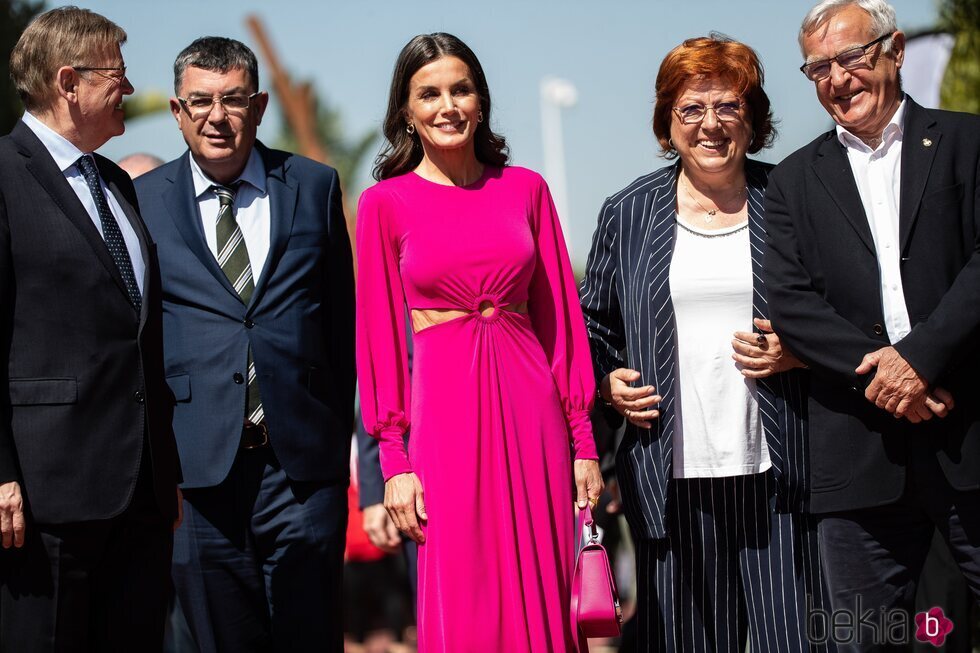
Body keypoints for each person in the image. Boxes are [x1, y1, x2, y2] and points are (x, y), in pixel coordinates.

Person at [580, 35, 830, 652]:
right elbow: (592, 327)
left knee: (794, 641)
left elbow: (841, 311)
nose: (711, 125)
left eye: (729, 107)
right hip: (669, 479)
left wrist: (797, 352)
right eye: (692, 109)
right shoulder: (628, 212)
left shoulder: (792, 200)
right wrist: (607, 382)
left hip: (781, 475)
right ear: (668, 122)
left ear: (754, 118)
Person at [356, 32, 603, 652]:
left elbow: (561, 323)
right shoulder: (384, 204)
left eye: (460, 89)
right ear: (406, 112)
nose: (448, 106)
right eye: (429, 93)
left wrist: (583, 442)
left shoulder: (526, 190)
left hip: (534, 413)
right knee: (461, 591)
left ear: (481, 100)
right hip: (443, 420)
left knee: (546, 583)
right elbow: (379, 342)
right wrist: (394, 462)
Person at [764, 0, 980, 646]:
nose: (837, 78)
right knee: (864, 635)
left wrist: (920, 358)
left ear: (895, 50)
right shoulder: (793, 181)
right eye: (818, 67)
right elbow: (792, 302)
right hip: (857, 460)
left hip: (967, 434)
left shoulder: (968, 142)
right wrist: (886, 375)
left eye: (851, 57)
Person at [134, 36, 354, 652]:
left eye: (233, 100)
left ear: (257, 107)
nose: (217, 116)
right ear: (177, 112)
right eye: (199, 101)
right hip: (194, 476)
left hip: (302, 473)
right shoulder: (142, 202)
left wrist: (336, 448)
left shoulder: (313, 185)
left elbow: (340, 325)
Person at [0, 7, 181, 650]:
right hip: (44, 499)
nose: (130, 89)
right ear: (68, 82)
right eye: (118, 75)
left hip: (139, 495)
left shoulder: (116, 183)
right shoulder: (3, 173)